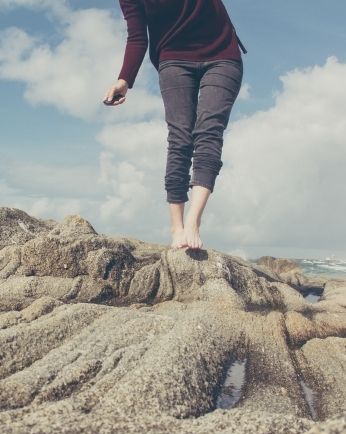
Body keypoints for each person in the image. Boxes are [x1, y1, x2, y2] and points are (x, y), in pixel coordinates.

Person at [104, 0, 245, 250]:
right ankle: (176, 226)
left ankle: (193, 222)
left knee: (209, 131)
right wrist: (124, 79)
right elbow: (137, 37)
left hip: (223, 54)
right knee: (180, 138)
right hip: (174, 59)